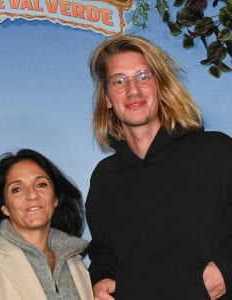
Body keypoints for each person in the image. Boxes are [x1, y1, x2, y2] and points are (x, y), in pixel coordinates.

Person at [85, 35, 232, 300]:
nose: (133, 90)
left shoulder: (216, 152)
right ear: (107, 98)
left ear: (160, 87)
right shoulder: (105, 178)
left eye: (143, 76)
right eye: (119, 81)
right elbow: (103, 250)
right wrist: (101, 279)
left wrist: (228, 269)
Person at [0, 148, 93, 300]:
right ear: (4, 207)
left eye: (41, 184)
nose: (32, 195)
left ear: (55, 198)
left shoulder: (77, 266)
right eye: (17, 189)